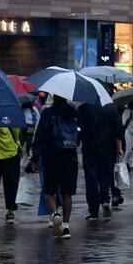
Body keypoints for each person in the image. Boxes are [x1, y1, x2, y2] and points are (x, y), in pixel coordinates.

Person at [28, 95, 80, 240]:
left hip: (51, 156)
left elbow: (40, 136)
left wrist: (35, 158)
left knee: (49, 190)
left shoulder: (47, 113)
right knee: (67, 193)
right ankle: (66, 226)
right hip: (70, 157)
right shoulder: (74, 112)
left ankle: (55, 213)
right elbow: (79, 135)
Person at [78, 101, 124, 220]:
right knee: (106, 175)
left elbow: (79, 128)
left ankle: (93, 211)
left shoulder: (84, 107)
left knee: (91, 178)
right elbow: (118, 128)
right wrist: (119, 147)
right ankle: (105, 199)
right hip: (107, 147)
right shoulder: (111, 108)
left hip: (89, 147)